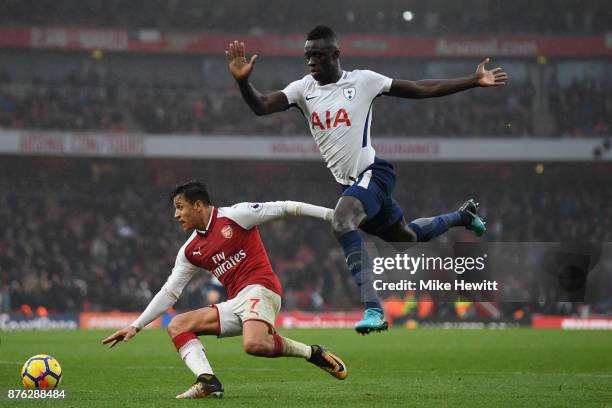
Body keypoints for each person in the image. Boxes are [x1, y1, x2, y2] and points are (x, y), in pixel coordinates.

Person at [226, 25, 508, 334]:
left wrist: (473, 80)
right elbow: (262, 106)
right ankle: (461, 216)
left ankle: (373, 308)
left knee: (340, 221)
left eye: (317, 55)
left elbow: (419, 87)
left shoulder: (363, 81)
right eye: (307, 56)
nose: (311, 62)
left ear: (336, 54)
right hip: (353, 185)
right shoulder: (302, 89)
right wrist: (243, 83)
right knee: (405, 239)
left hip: (374, 173)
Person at [102, 181, 347, 399]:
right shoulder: (190, 250)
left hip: (261, 289)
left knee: (253, 345)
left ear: (198, 205)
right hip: (238, 300)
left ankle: (311, 353)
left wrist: (331, 215)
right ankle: (208, 381)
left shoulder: (236, 216)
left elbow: (285, 207)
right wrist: (136, 325)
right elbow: (169, 292)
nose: (176, 215)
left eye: (180, 207)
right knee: (178, 325)